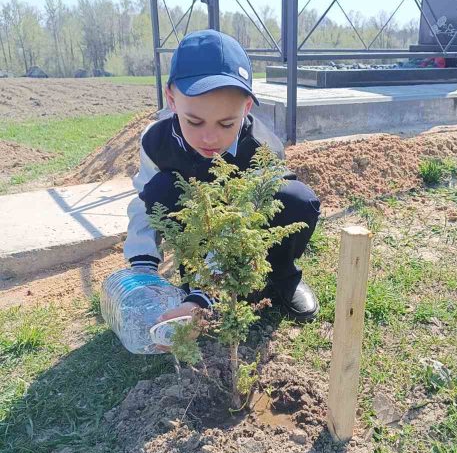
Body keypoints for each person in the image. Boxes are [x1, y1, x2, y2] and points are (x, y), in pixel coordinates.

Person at [123, 29, 320, 328]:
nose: (209, 137)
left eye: (227, 123)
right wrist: (143, 264)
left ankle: (281, 277)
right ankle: (194, 280)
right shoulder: (155, 141)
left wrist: (208, 291)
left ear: (246, 108)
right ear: (172, 99)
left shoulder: (261, 150)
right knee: (159, 190)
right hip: (197, 240)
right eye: (195, 121)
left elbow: (244, 224)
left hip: (247, 232)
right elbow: (143, 205)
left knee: (295, 200)